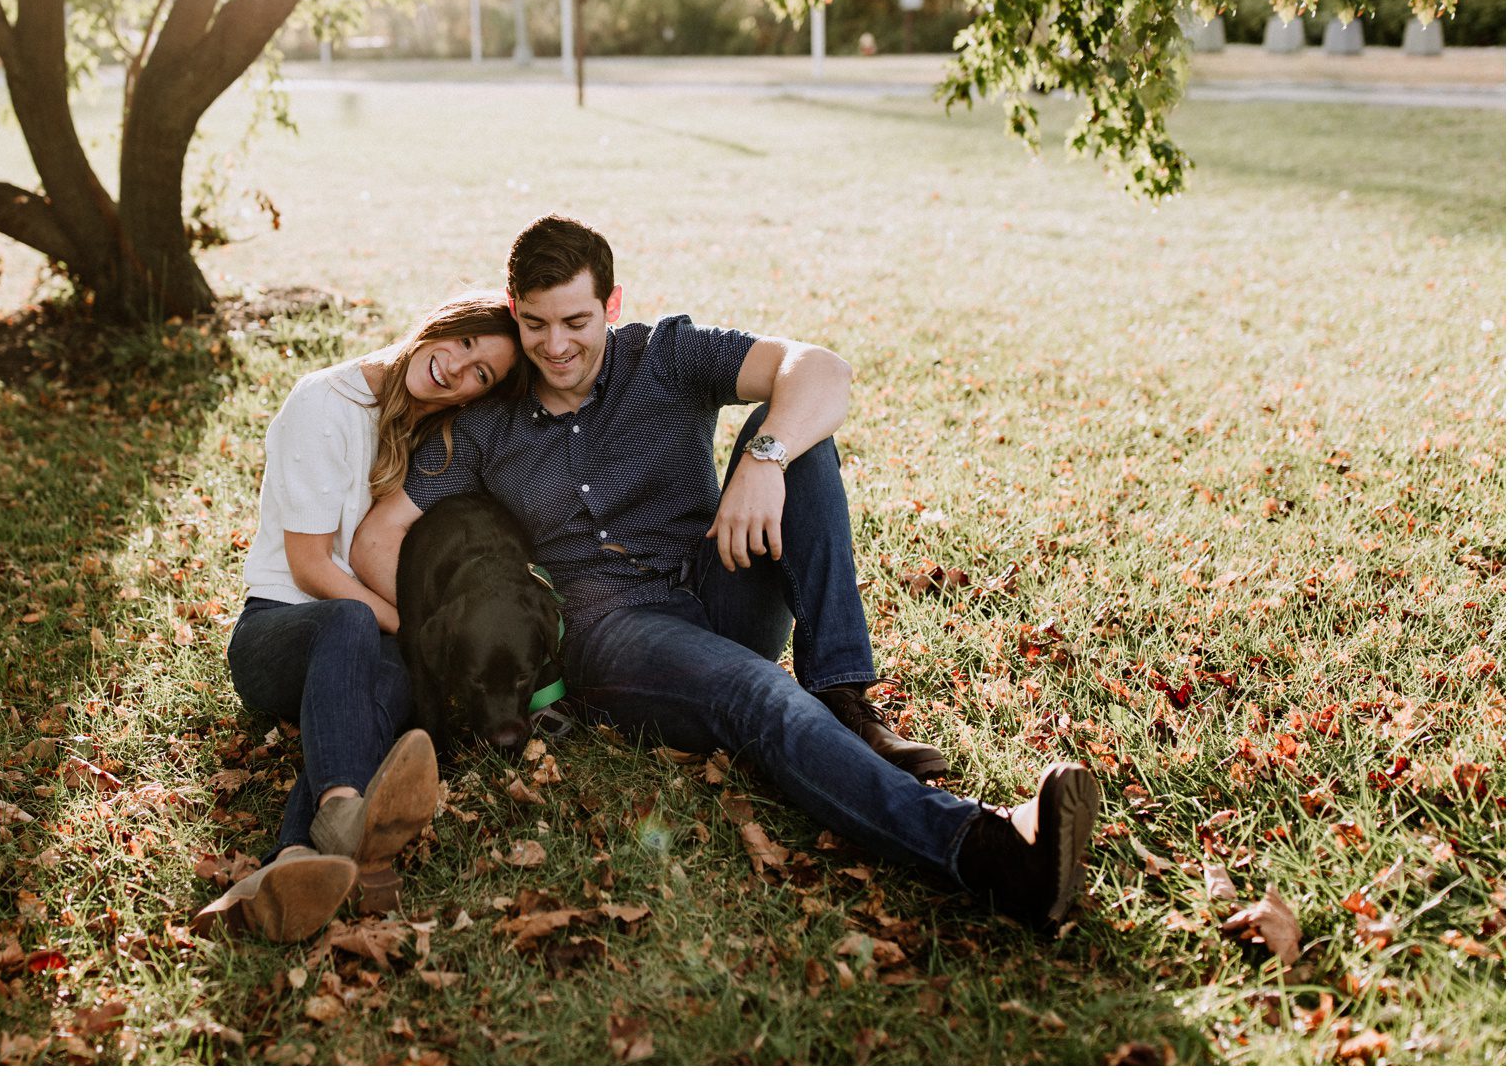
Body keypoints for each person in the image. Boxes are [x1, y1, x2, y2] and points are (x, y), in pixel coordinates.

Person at [352, 216, 1099, 932]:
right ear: (515, 314)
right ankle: (988, 851)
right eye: (536, 324)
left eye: (577, 322)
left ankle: (843, 698)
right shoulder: (488, 425)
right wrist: (442, 630)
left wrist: (763, 461)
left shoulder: (666, 355)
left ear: (611, 304)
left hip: (722, 576)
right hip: (615, 633)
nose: (556, 345)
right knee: (757, 696)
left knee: (798, 440)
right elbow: (377, 538)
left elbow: (820, 368)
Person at [192, 292, 527, 942]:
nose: (459, 368)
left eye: (481, 373)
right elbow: (312, 567)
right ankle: (348, 811)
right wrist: (415, 629)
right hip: (277, 633)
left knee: (392, 683)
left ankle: (290, 864)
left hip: (362, 638)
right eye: (463, 343)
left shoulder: (429, 434)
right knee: (351, 622)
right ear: (439, 324)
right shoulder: (326, 403)